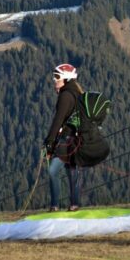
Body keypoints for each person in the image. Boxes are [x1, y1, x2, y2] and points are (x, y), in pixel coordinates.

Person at [44, 63, 85, 211]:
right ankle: (74, 204)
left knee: (53, 171)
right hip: (77, 139)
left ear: (66, 79)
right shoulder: (77, 94)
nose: (54, 80)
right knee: (72, 171)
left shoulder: (65, 95)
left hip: (66, 140)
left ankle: (54, 206)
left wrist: (49, 142)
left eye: (57, 77)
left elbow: (58, 120)